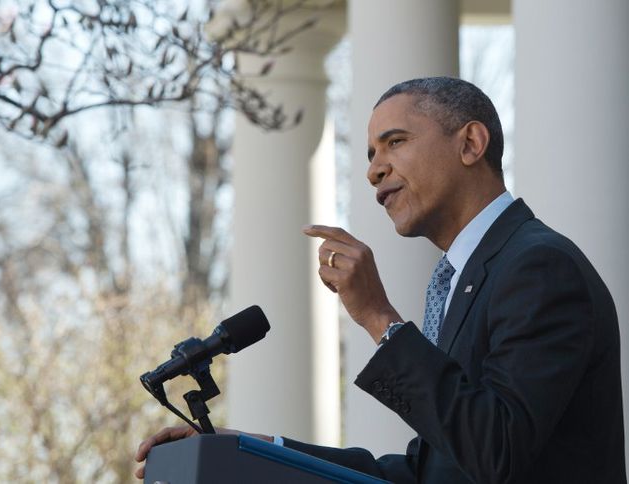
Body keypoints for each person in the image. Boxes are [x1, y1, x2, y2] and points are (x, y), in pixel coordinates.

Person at [134, 77, 626, 483]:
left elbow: (495, 450)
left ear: (471, 144)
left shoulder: (538, 266)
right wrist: (253, 450)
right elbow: (424, 474)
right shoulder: (465, 279)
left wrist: (378, 318)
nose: (373, 170)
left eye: (395, 141)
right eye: (370, 152)